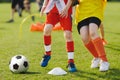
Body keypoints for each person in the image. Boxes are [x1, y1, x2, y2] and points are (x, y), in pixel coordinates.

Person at [40, 0, 77, 72]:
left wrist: (66, 8)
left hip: (65, 9)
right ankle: (47, 54)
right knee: (46, 30)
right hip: (53, 9)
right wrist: (44, 6)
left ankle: (71, 62)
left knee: (68, 35)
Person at [75, 0, 109, 71]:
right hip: (82, 13)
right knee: (85, 38)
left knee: (93, 32)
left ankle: (104, 61)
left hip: (95, 10)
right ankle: (96, 57)